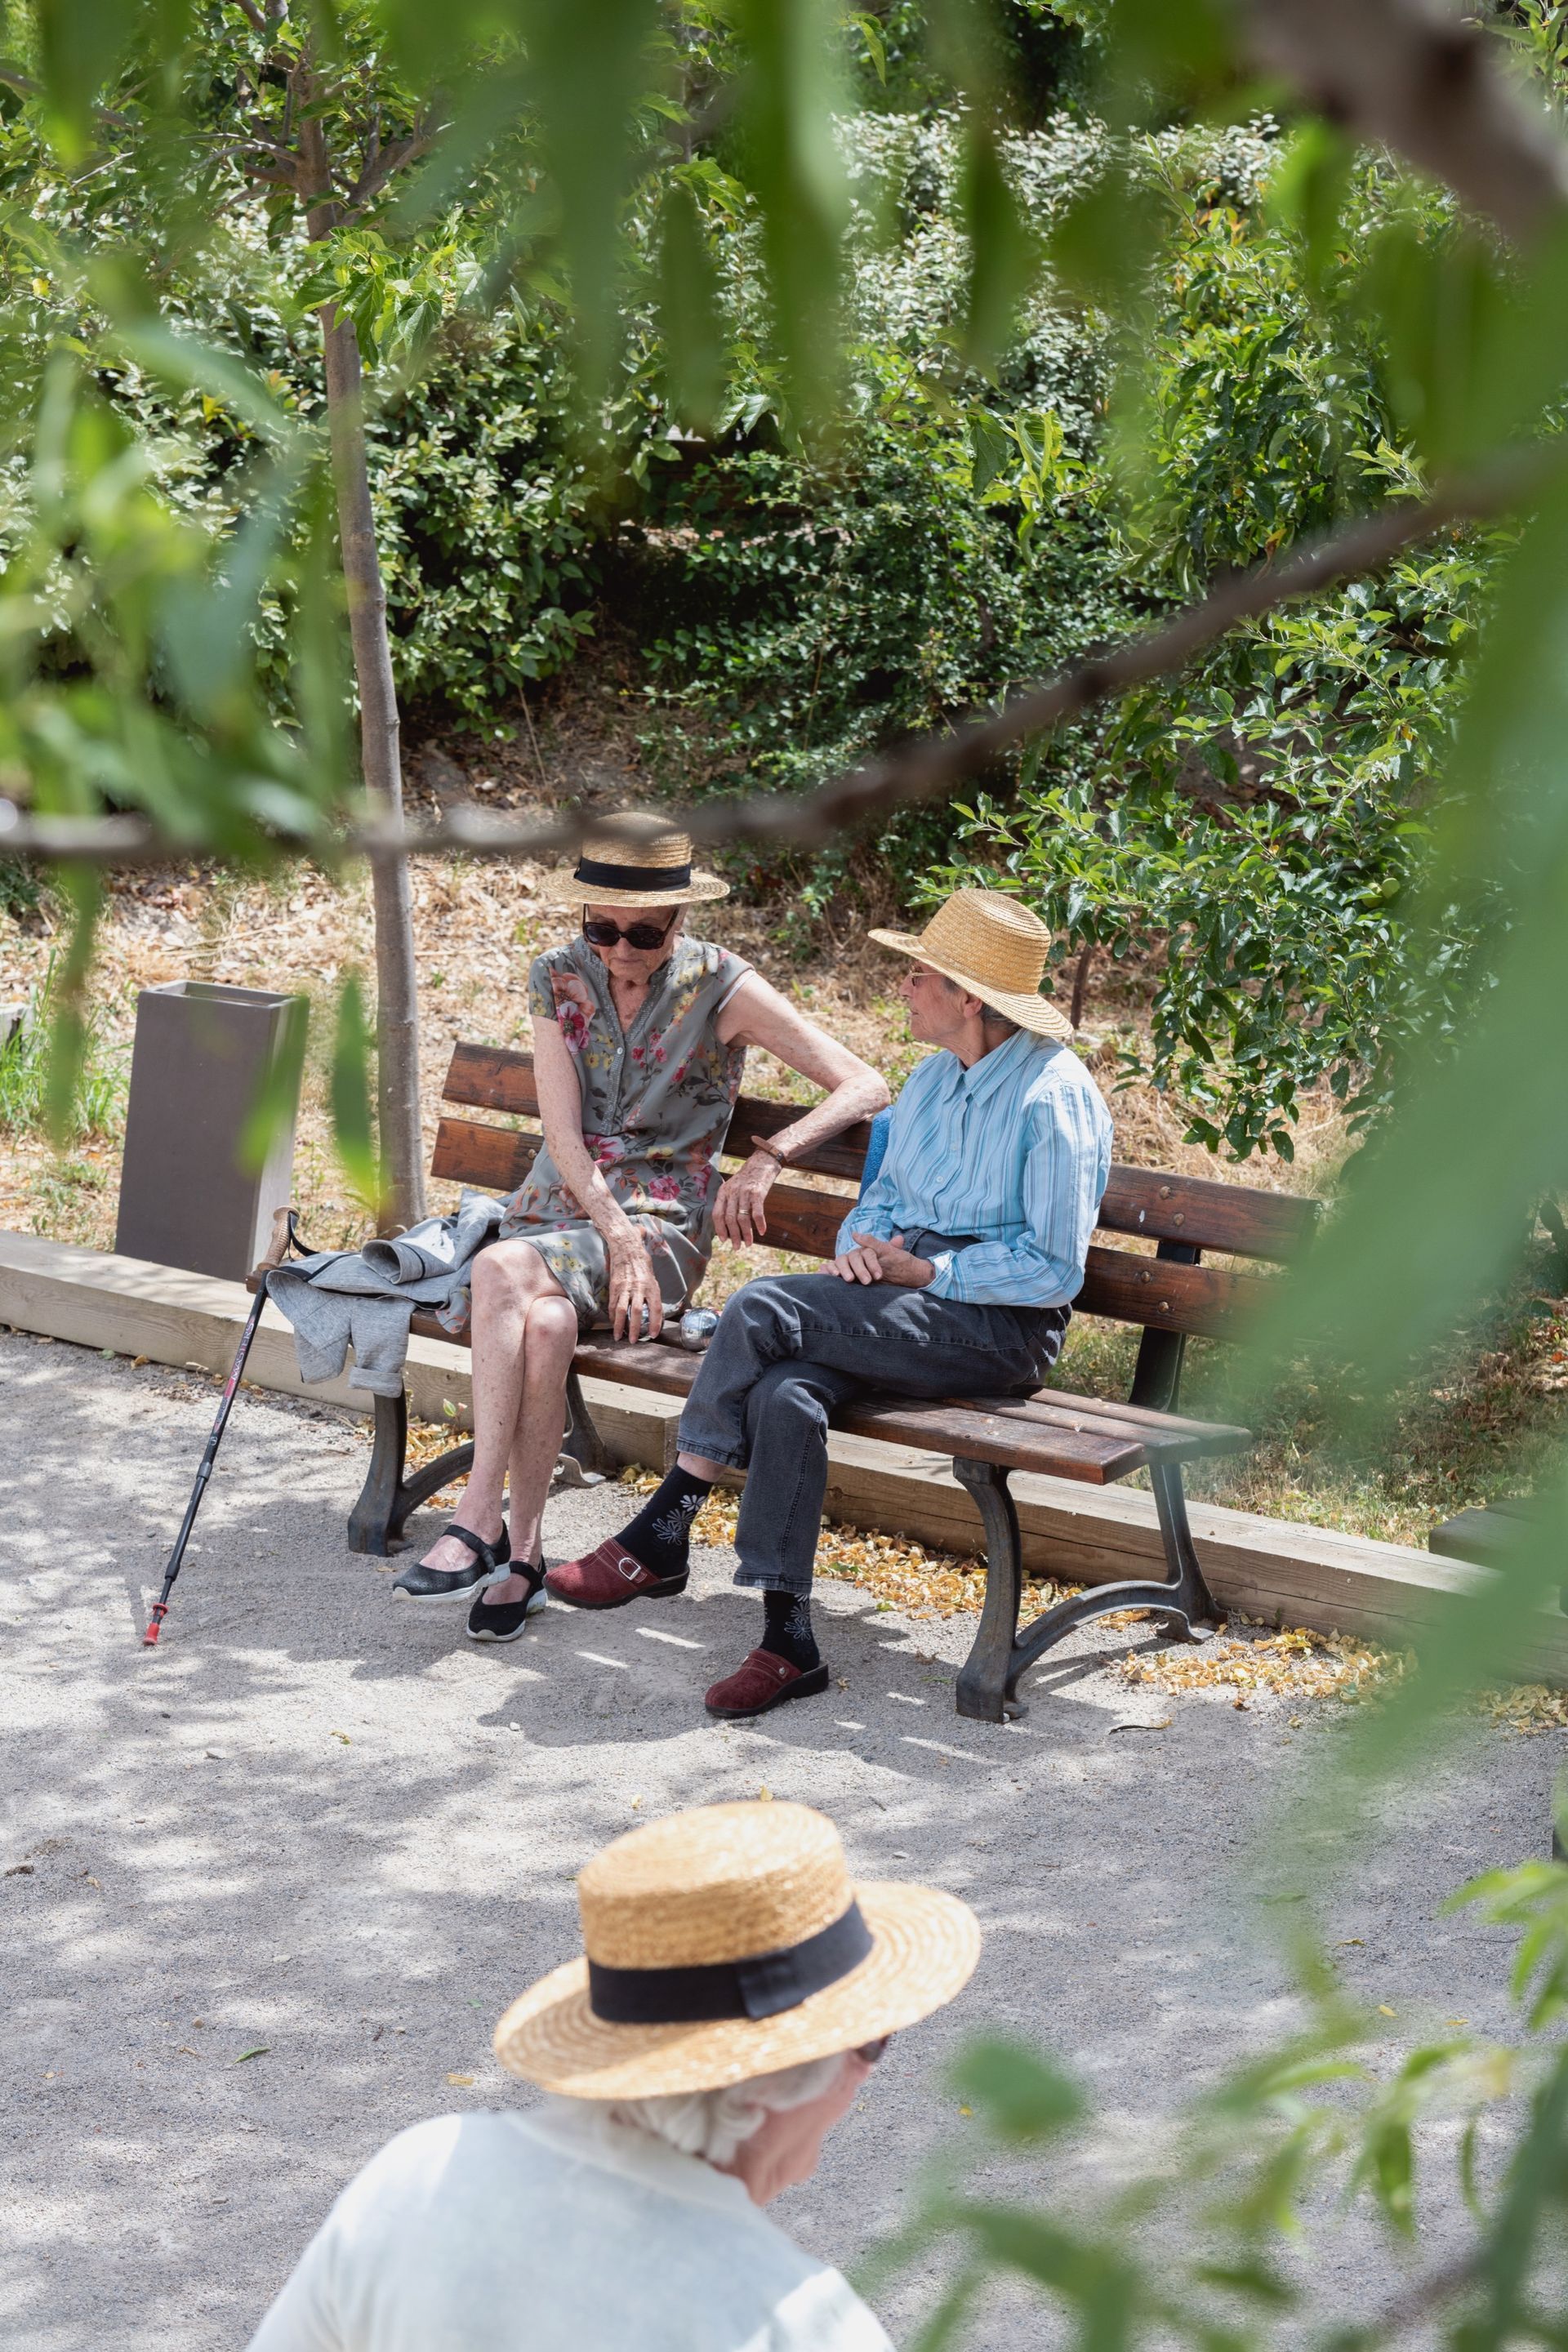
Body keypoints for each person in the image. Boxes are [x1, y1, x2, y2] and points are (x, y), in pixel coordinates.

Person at [550, 888, 1113, 1715]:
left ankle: (664, 1526)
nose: (905, 988)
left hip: (995, 1326)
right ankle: (789, 1641)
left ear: (968, 998)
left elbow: (1055, 1268)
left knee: (762, 1308)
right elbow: (880, 1202)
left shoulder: (1053, 1096)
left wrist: (929, 1276)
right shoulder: (930, 1080)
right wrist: (862, 1251)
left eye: (920, 975)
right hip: (899, 1300)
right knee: (785, 1391)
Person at [391, 814, 887, 1638]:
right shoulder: (556, 975)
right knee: (543, 1322)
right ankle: (524, 1558)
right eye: (605, 928)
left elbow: (864, 1083)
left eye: (644, 932)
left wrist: (768, 1157)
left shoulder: (723, 985)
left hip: (662, 1235)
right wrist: (610, 1235)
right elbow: (560, 1134)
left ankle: (478, 1515)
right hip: (568, 1218)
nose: (621, 949)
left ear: (681, 919)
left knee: (498, 1273)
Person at [246, 1800, 980, 2352]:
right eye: (873, 2041)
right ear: (769, 2081)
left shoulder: (419, 2172)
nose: (870, 2075)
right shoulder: (801, 2323)